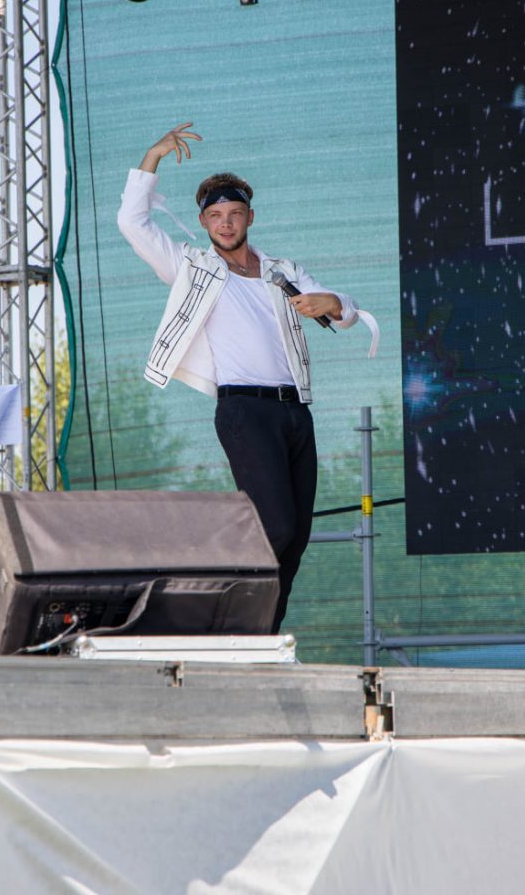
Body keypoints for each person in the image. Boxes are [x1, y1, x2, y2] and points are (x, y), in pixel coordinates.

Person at [118, 123, 375, 632]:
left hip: (294, 412)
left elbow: (343, 315)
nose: (226, 223)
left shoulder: (282, 270)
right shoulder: (193, 268)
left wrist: (335, 303)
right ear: (204, 222)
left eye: (234, 214)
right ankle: (214, 625)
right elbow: (133, 222)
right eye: (215, 215)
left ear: (250, 216)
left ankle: (260, 641)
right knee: (273, 526)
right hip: (243, 410)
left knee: (294, 540)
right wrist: (152, 157)